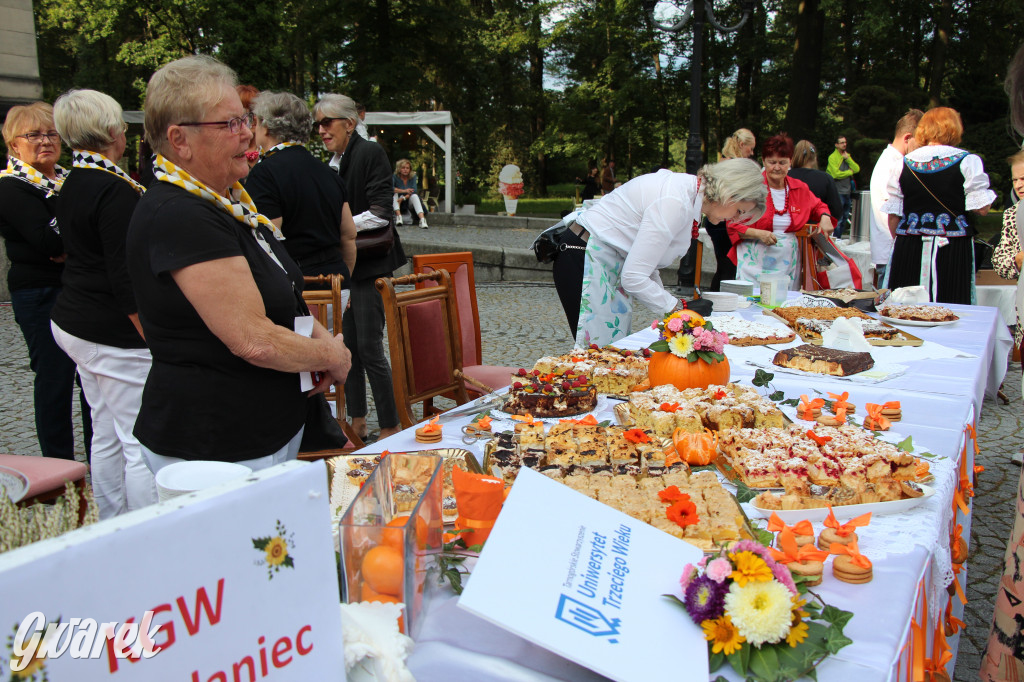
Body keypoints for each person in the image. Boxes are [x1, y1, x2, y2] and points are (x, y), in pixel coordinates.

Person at [126, 55, 352, 471]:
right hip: (216, 443)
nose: (248, 133)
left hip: (263, 427)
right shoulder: (181, 213)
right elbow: (253, 339)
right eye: (229, 124)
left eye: (245, 119)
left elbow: (286, 292)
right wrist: (331, 355)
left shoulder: (225, 200)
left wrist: (319, 348)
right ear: (180, 140)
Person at [49, 89, 157, 517]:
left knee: (108, 431)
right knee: (140, 438)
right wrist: (152, 336)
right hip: (108, 331)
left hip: (77, 321)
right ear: (112, 130)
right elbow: (124, 277)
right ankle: (148, 532)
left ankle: (112, 520)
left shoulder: (75, 180)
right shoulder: (113, 191)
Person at [553, 158, 767, 347]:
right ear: (729, 193)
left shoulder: (687, 194)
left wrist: (675, 308)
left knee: (611, 349)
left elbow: (647, 264)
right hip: (585, 256)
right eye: (738, 211)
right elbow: (634, 277)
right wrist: (677, 307)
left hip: (602, 257)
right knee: (599, 353)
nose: (735, 219)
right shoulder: (675, 201)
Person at [0, 102, 88, 461]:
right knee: (54, 377)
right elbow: (49, 242)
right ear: (13, 144)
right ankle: (58, 466)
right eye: (33, 134)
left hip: (77, 286)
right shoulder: (11, 187)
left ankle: (100, 460)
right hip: (40, 292)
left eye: (51, 133)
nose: (45, 141)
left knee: (89, 376)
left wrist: (72, 239)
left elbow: (87, 234)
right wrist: (76, 237)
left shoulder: (69, 179)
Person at [315, 93, 405, 442]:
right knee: (346, 348)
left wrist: (339, 227)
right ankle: (357, 420)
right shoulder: (333, 162)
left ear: (349, 124)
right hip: (348, 268)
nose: (321, 130)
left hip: (371, 266)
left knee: (369, 348)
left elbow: (381, 212)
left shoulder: (369, 152)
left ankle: (390, 424)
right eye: (317, 124)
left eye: (327, 122)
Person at [881, 107, 996, 304]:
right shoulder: (967, 161)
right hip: (952, 246)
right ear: (955, 129)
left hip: (909, 244)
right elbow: (982, 208)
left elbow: (893, 216)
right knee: (951, 301)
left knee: (904, 305)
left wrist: (901, 241)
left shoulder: (902, 164)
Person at [246, 91, 356, 282]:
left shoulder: (264, 173)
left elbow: (267, 241)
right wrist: (344, 284)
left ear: (266, 127)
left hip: (298, 286)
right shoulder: (328, 173)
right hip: (336, 281)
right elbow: (348, 236)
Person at [727, 133, 835, 291]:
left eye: (782, 162)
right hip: (754, 259)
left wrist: (825, 217)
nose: (777, 167)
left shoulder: (799, 188)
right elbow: (732, 225)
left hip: (787, 259)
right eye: (772, 162)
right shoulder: (749, 188)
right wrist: (760, 234)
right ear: (763, 161)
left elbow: (819, 206)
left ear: (790, 162)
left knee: (783, 303)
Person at [868, 109, 924, 286]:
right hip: (891, 250)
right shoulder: (895, 165)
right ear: (908, 138)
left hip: (887, 249)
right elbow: (894, 214)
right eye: (922, 142)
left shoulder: (890, 161)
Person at [705, 128, 757, 290]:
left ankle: (714, 301)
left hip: (716, 221)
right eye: (751, 148)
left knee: (723, 266)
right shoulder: (735, 167)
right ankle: (718, 303)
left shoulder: (722, 162)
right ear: (742, 144)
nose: (752, 153)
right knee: (728, 267)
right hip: (723, 222)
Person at [992, 149, 1024, 350]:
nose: (1019, 185)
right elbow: (1000, 264)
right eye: (1015, 180)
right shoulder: (1012, 214)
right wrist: (1018, 260)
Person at [789, 140, 842, 218]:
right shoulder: (826, 178)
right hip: (816, 226)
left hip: (788, 226)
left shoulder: (784, 177)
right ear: (815, 158)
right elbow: (836, 210)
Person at [827, 135, 859, 238]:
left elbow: (857, 169)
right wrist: (849, 172)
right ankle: (835, 239)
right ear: (836, 145)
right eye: (841, 142)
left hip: (847, 191)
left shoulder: (846, 156)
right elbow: (835, 174)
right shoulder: (833, 157)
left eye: (845, 142)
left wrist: (848, 159)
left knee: (845, 217)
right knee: (838, 218)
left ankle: (839, 237)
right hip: (838, 191)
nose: (844, 144)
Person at [392, 158, 428, 228]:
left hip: (407, 200)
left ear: (410, 169)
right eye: (403, 168)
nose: (405, 170)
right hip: (396, 201)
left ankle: (422, 220)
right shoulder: (395, 176)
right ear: (399, 169)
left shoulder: (413, 177)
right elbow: (391, 188)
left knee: (414, 196)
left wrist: (403, 198)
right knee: (394, 194)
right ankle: (399, 217)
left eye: (407, 168)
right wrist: (405, 191)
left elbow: (414, 190)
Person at [236, 84, 260, 169]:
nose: (253, 117)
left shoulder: (270, 150)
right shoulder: (229, 153)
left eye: (255, 112)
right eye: (245, 113)